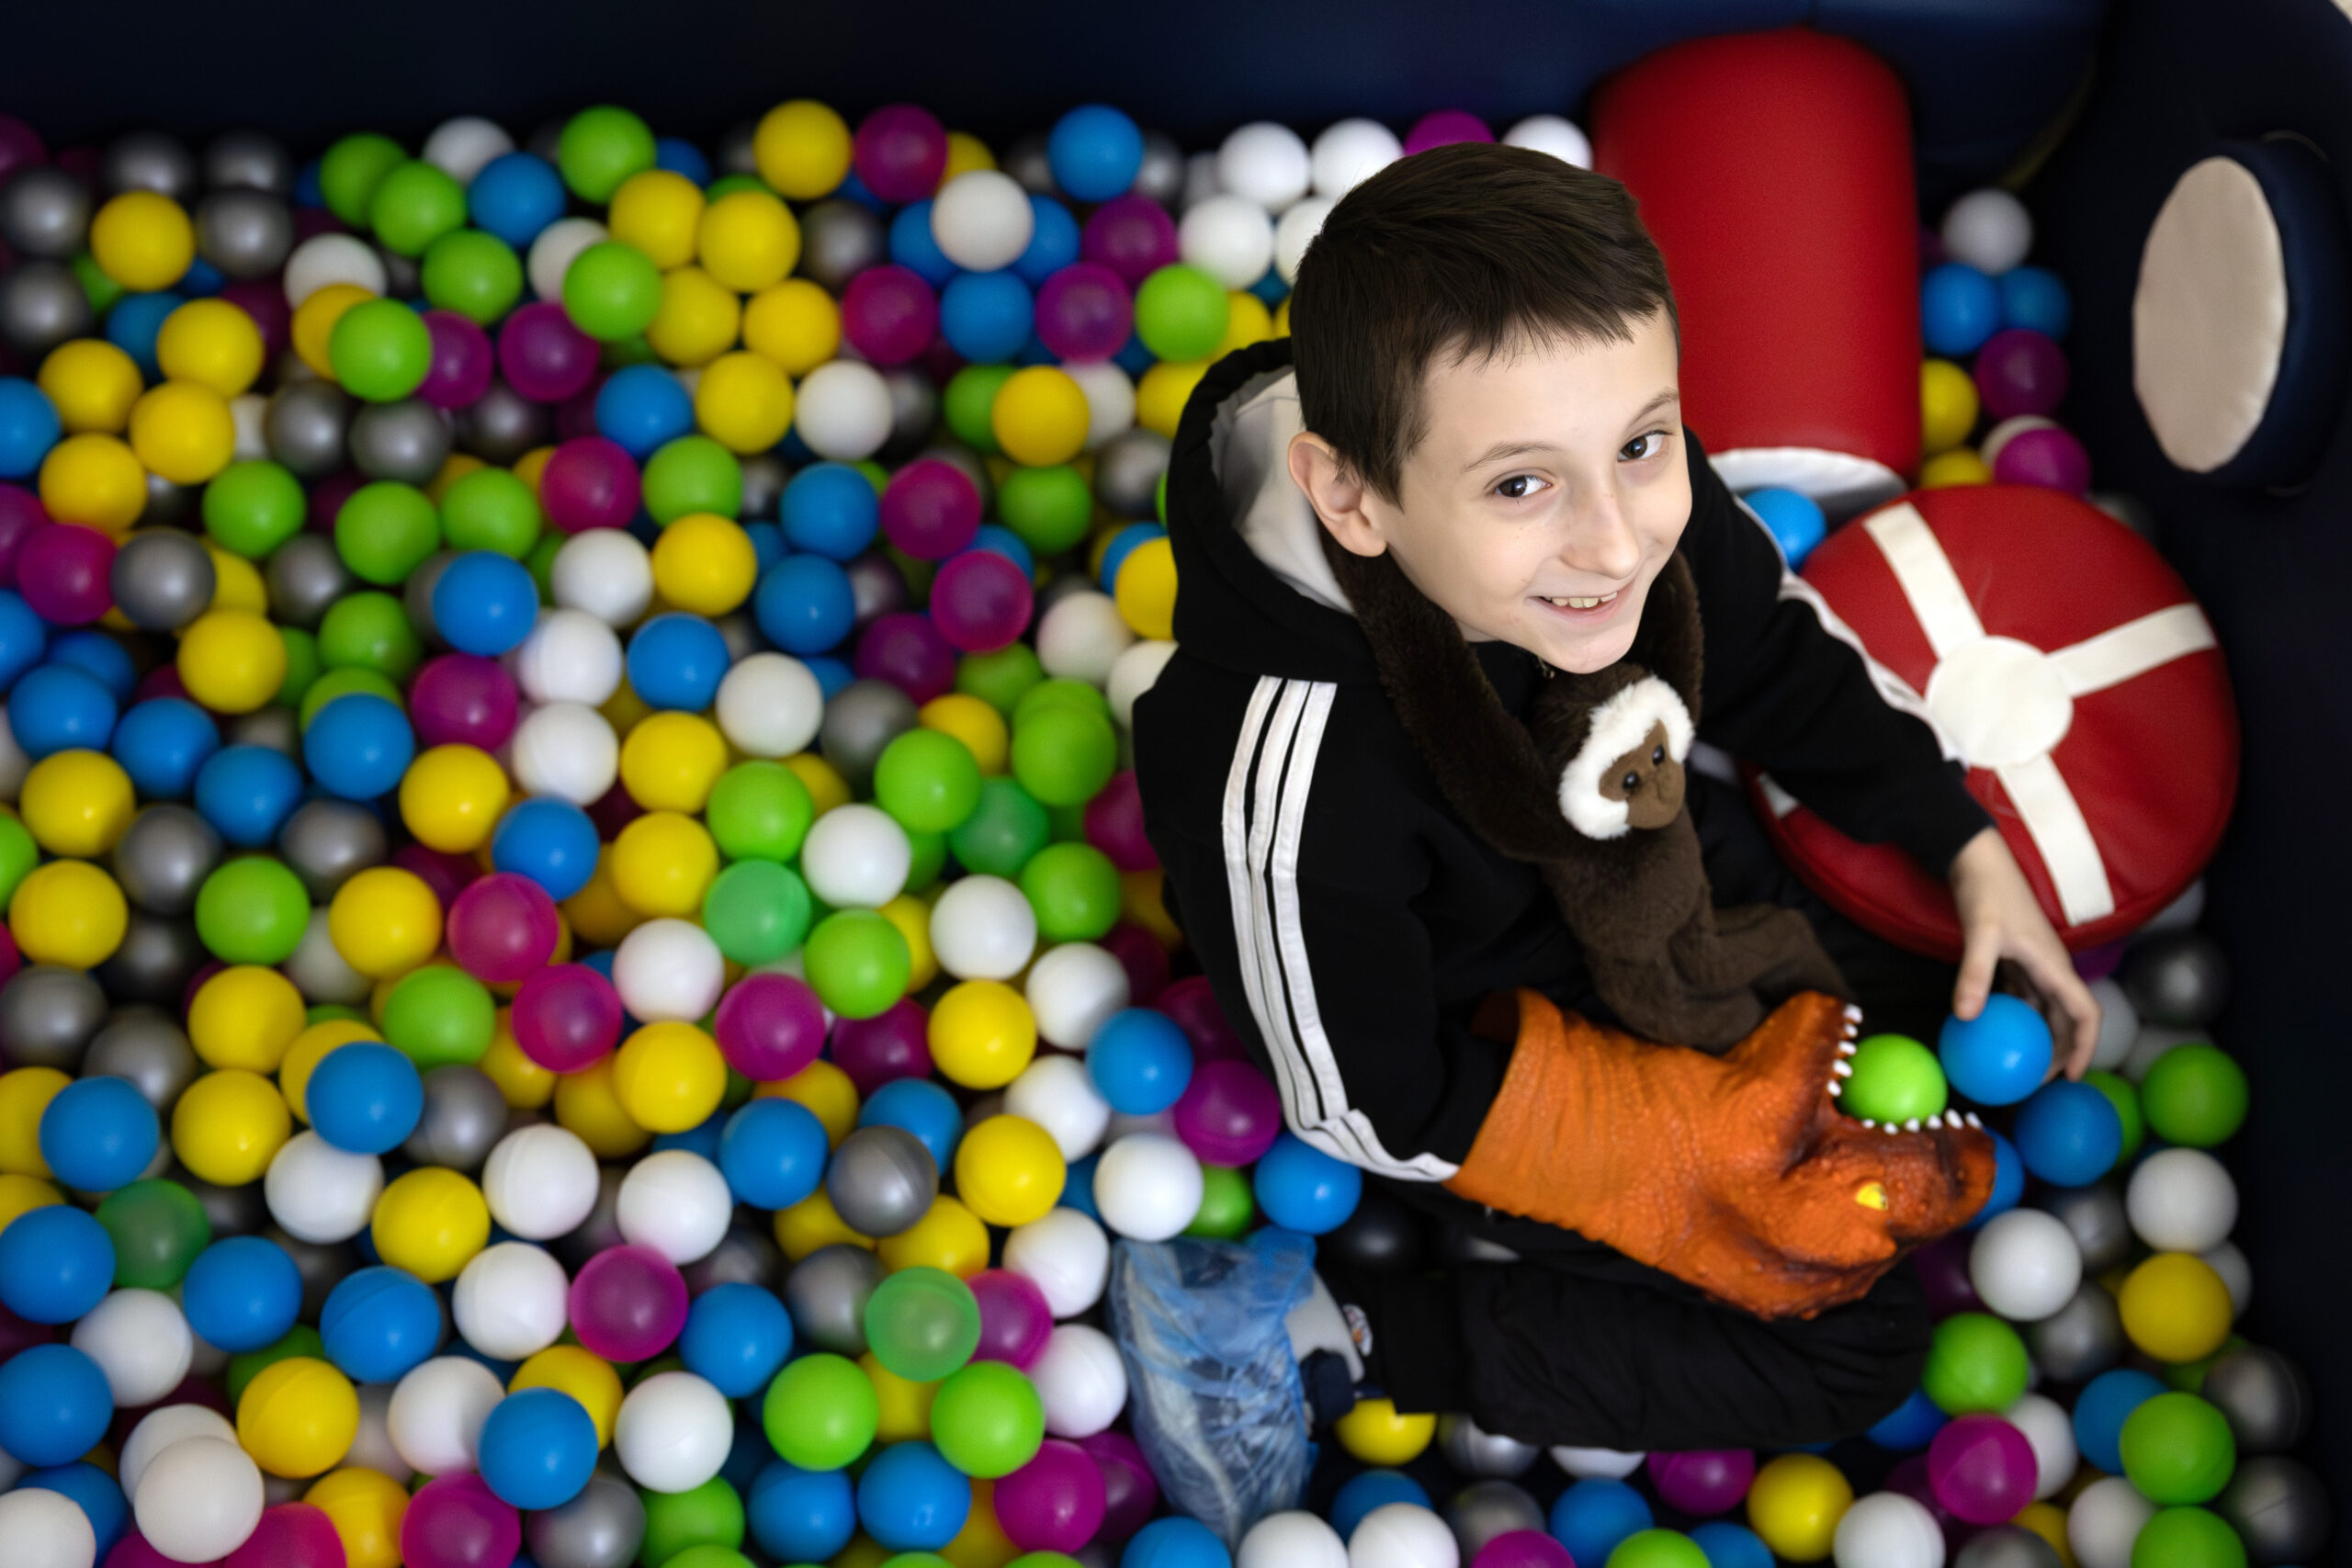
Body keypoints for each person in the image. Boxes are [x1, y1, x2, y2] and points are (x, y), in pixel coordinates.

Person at [1115, 141, 2103, 1527]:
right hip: (1504, 1051)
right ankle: (1337, 1333)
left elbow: (1770, 648)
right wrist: (1664, 1153)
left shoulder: (1597, 456)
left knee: (1955, 1028)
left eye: (1645, 444)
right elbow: (1361, 1095)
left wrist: (1962, 842)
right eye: (1521, 488)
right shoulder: (1284, 767)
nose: (1618, 544)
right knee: (1857, 1344)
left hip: (1660, 877)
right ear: (1349, 497)